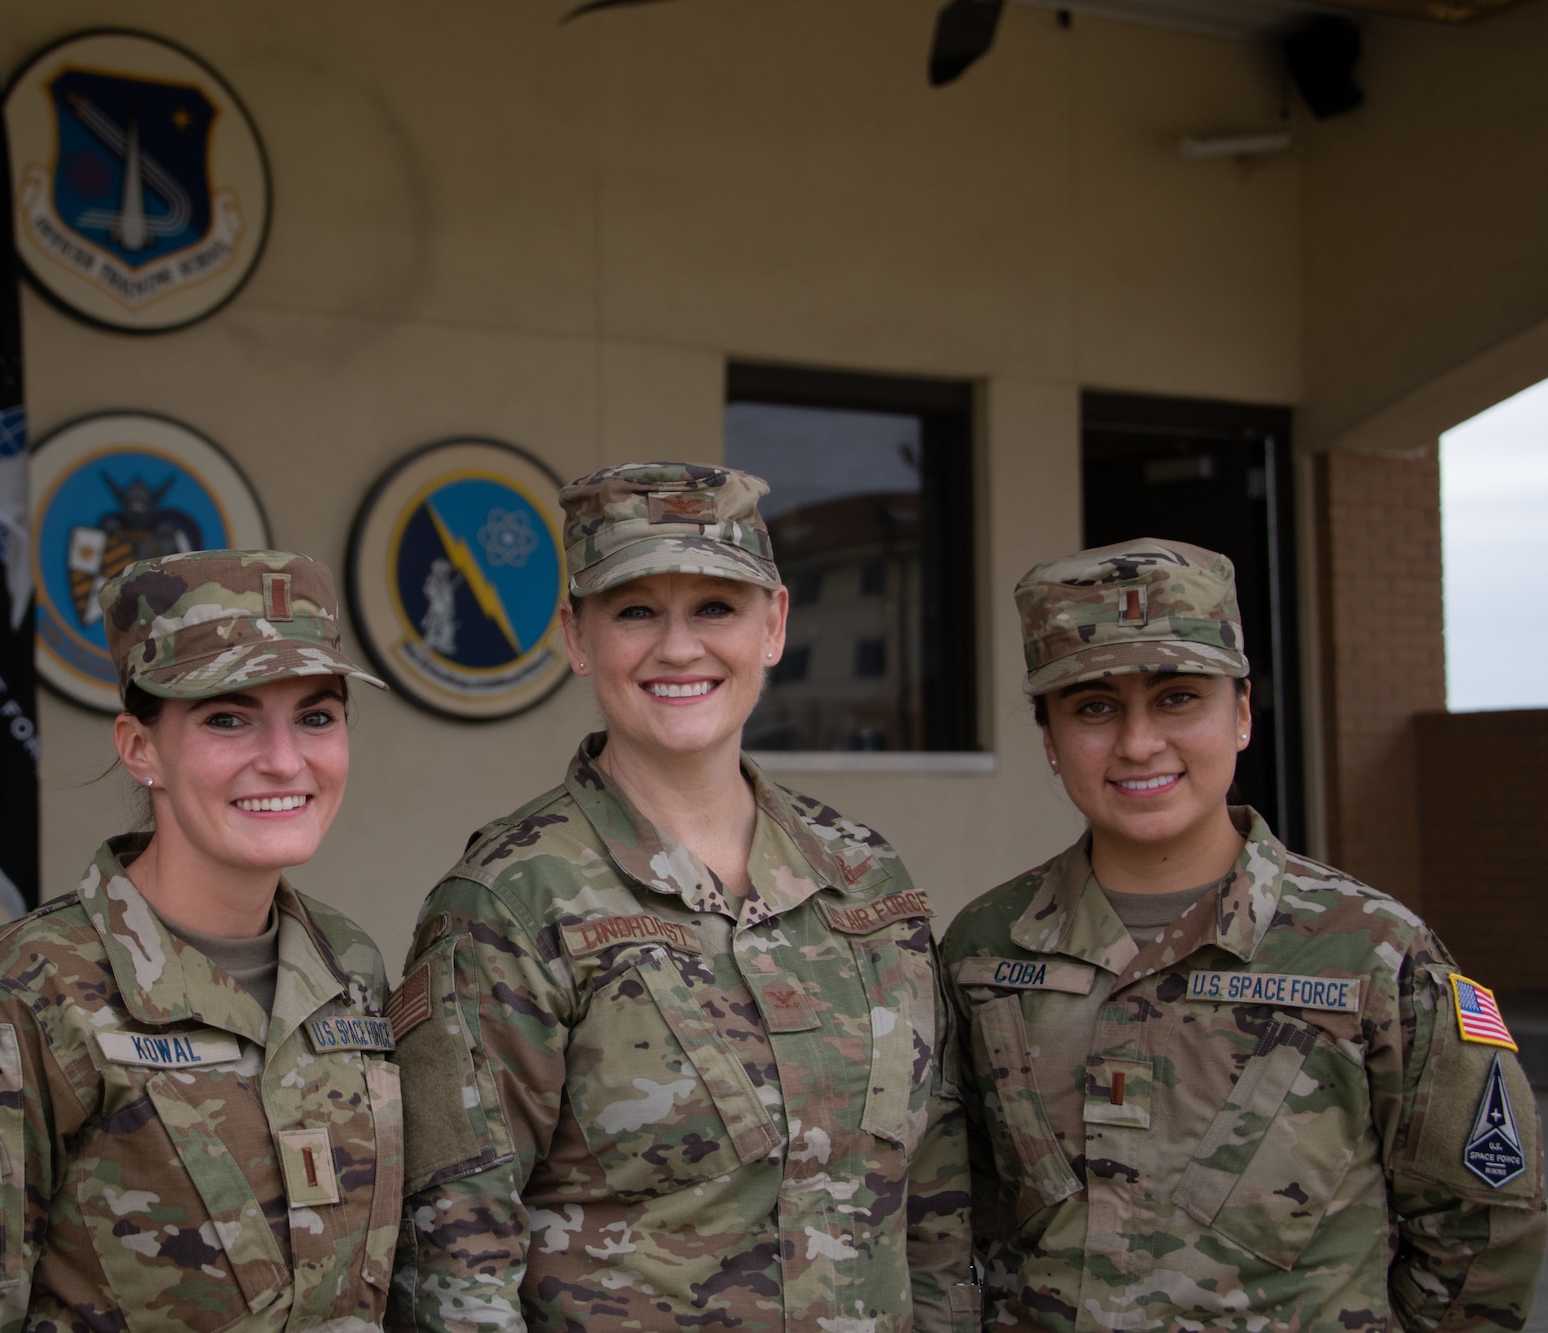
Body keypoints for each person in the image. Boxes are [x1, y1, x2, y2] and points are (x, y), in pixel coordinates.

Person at [388, 463, 976, 1333]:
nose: (678, 647)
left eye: (715, 607)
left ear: (773, 625)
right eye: (635, 610)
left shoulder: (866, 878)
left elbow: (935, 1207)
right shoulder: (508, 900)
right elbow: (452, 1267)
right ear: (576, 637)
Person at [944, 537, 1547, 1332]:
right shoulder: (987, 950)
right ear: (1050, 739)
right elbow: (954, 1215)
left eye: (1178, 697)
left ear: (1244, 715)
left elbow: (1483, 1229)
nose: (1137, 742)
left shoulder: (1372, 949)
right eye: (1093, 706)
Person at [0, 551, 403, 1333]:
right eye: (227, 717)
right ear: (140, 747)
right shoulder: (12, 1001)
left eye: (316, 714)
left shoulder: (351, 965)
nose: (284, 757)